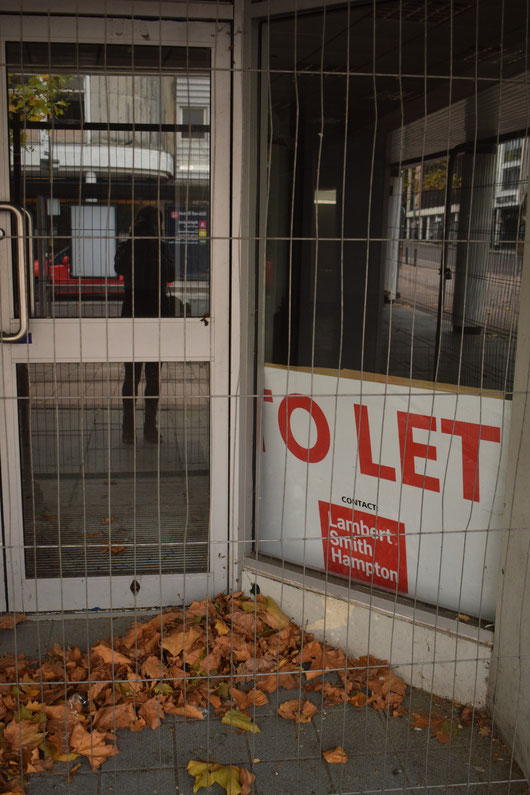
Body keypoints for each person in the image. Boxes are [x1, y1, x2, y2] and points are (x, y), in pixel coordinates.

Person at [114, 206, 172, 444]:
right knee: (152, 375)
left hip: (133, 312)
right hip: (154, 313)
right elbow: (171, 274)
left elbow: (119, 268)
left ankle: (128, 431)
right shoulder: (158, 245)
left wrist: (132, 241)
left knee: (131, 376)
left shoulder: (130, 244)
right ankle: (149, 428)